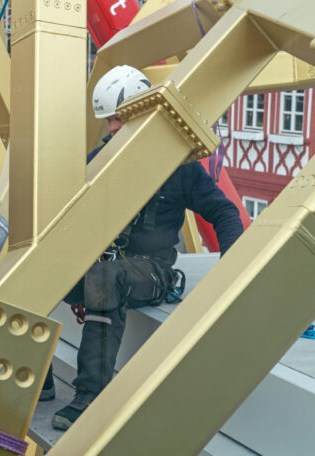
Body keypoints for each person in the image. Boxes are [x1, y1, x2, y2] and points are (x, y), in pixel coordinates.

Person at [46, 65, 244, 430]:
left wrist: (233, 272)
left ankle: (90, 395)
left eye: (119, 118)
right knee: (41, 272)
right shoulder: (99, 163)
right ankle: (37, 376)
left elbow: (224, 212)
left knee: (107, 276)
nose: (113, 128)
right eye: (108, 121)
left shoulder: (178, 167)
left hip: (153, 271)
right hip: (106, 266)